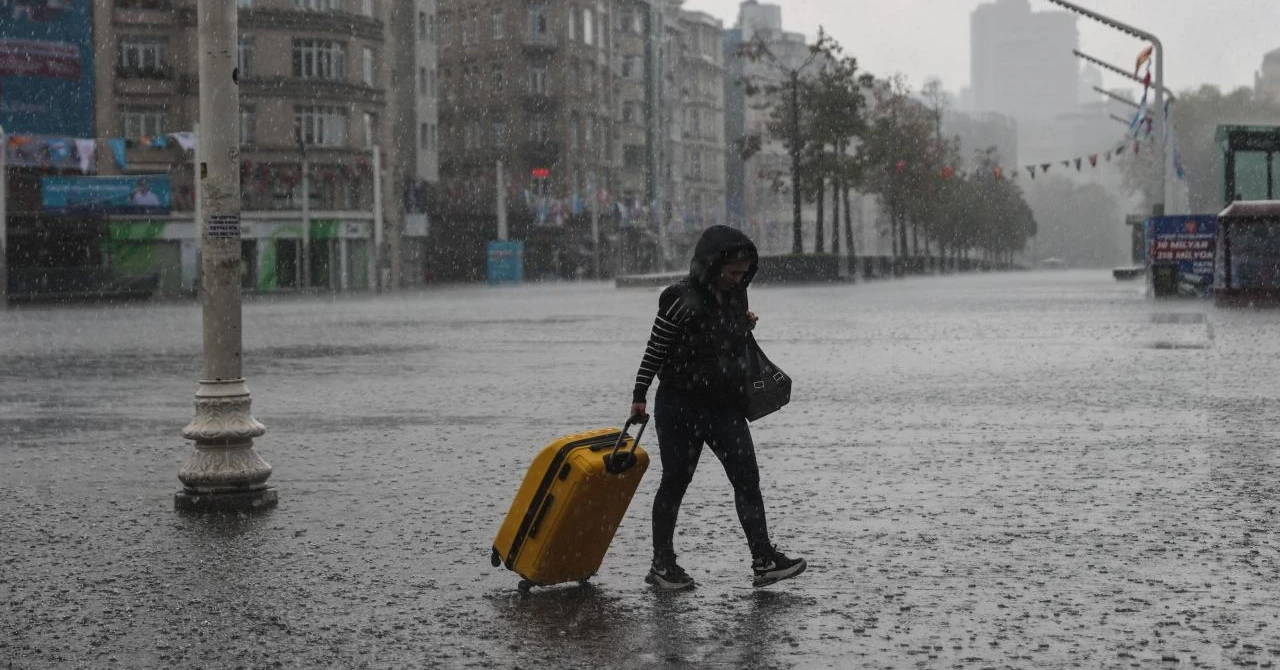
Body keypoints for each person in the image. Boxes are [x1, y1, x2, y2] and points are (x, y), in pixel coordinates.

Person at [630, 224, 806, 590]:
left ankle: (763, 559)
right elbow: (656, 348)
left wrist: (742, 324)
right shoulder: (677, 298)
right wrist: (639, 395)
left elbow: (725, 342)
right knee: (675, 482)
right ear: (711, 265)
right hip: (680, 406)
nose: (738, 280)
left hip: (724, 405)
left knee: (747, 480)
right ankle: (662, 565)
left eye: (744, 274)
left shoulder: (736, 296)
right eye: (732, 273)